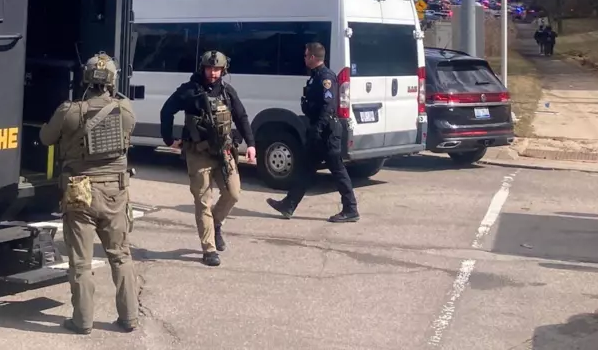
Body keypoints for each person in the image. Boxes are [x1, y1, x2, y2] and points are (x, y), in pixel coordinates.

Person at [38, 52, 139, 335]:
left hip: (80, 191)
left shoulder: (69, 110)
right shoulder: (126, 109)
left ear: (86, 78)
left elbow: (46, 138)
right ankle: (129, 317)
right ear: (112, 81)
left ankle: (82, 321)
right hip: (114, 191)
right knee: (120, 256)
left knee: (81, 262)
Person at [159, 50, 256, 267]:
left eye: (217, 69)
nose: (213, 73)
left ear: (224, 70)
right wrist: (168, 139)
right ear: (202, 68)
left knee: (233, 193)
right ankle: (209, 249)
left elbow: (241, 117)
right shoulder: (189, 91)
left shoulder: (227, 92)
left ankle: (217, 224)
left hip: (223, 152)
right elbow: (167, 110)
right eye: (209, 69)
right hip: (198, 154)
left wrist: (250, 145)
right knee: (203, 201)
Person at [266, 42, 359, 223]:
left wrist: (317, 129)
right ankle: (289, 204)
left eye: (306, 55)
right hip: (318, 131)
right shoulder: (316, 76)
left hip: (327, 133)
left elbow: (328, 107)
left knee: (338, 170)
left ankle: (350, 209)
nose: (304, 58)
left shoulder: (326, 77)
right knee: (306, 169)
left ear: (313, 58)